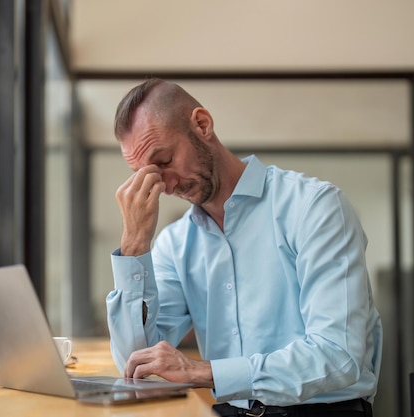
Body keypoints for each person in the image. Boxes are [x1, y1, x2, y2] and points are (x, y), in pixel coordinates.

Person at [106, 78, 382, 416]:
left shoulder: (314, 208)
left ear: (202, 124)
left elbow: (339, 356)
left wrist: (200, 372)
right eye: (146, 175)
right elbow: (136, 364)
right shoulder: (174, 244)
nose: (164, 186)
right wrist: (134, 246)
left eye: (164, 161)